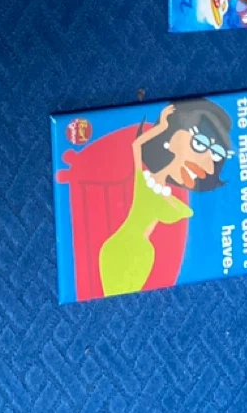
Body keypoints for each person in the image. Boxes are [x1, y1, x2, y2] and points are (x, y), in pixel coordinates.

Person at [98, 100, 234, 297]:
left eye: (215, 155)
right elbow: (136, 145)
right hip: (120, 247)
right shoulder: (144, 179)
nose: (207, 164)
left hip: (141, 251)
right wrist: (162, 126)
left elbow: (186, 212)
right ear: (173, 141)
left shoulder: (168, 195)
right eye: (199, 143)